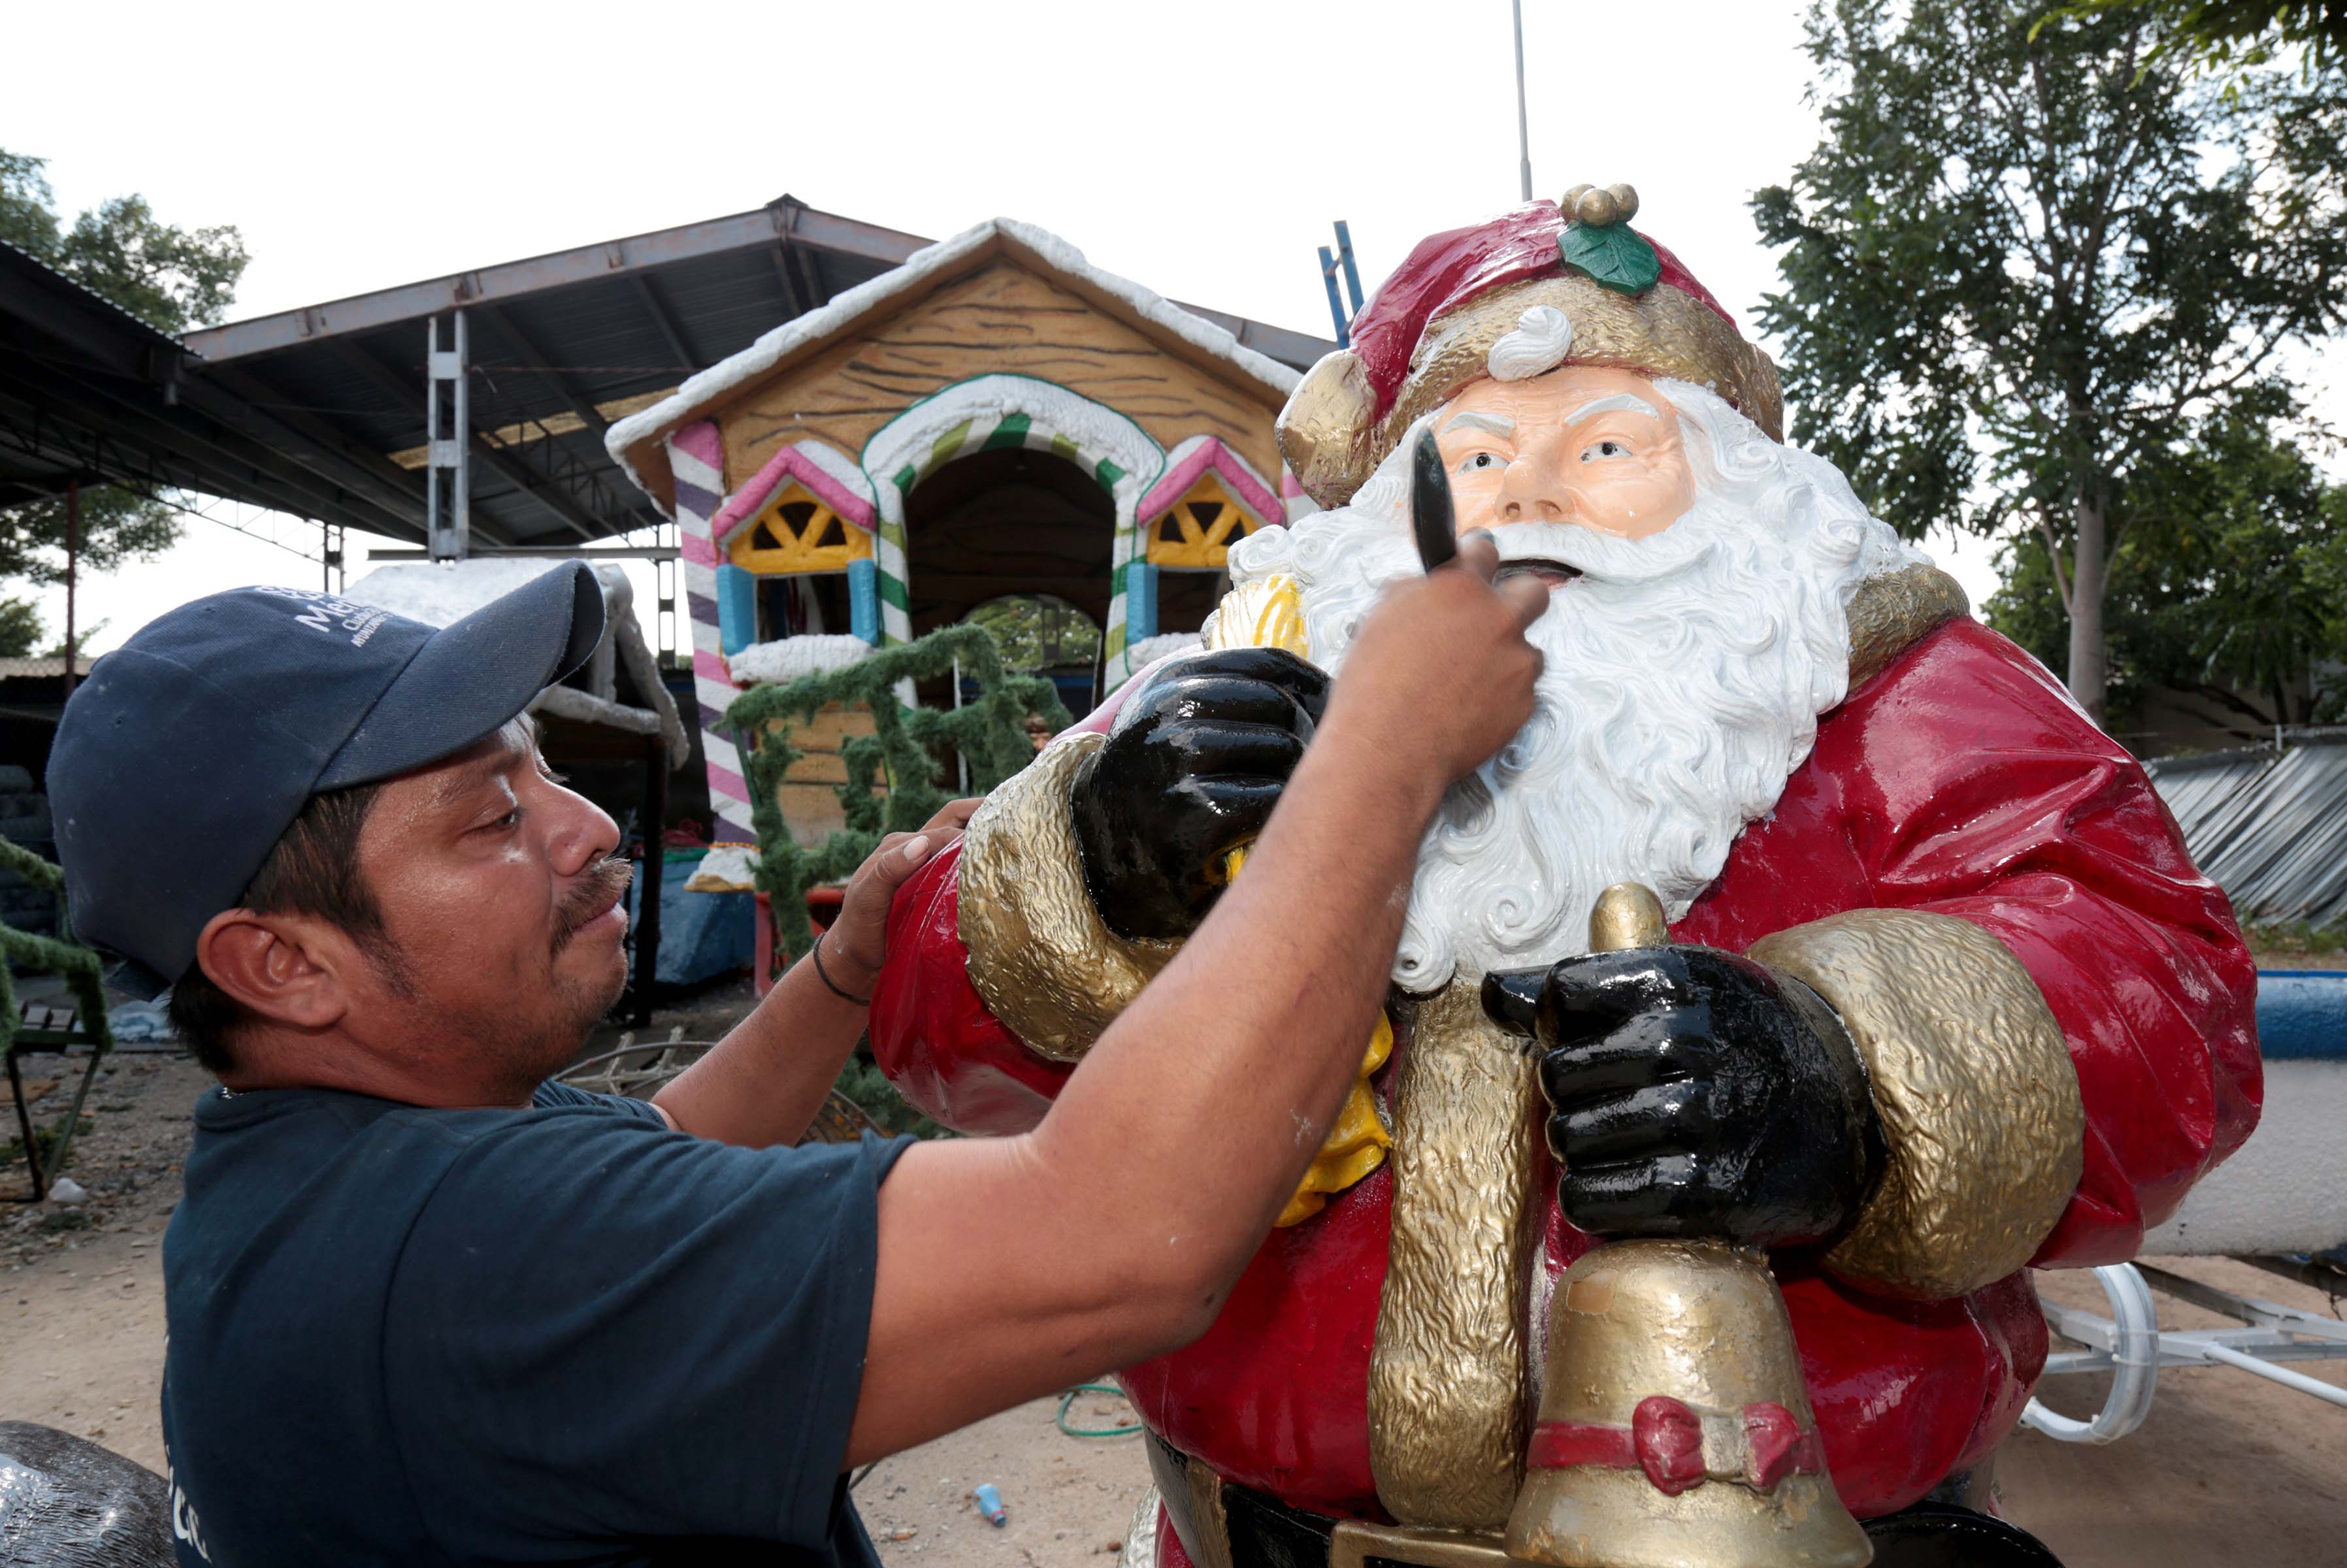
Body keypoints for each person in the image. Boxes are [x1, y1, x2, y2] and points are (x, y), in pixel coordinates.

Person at [866, 190, 2261, 1568]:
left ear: (1730, 476)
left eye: (1605, 445)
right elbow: (931, 1023)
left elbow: (2167, 992)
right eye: (1472, 458)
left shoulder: (1894, 692)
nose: (1531, 493)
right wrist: (1098, 870)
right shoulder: (1234, 685)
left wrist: (1843, 1080)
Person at [45, 551, 1546, 1567]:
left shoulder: (321, 1172)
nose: (584, 829)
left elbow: (668, 1156)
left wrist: (839, 975)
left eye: (543, 770)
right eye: (490, 820)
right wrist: (1384, 760)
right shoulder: (468, 1256)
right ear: (282, 964)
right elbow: (1120, 1238)